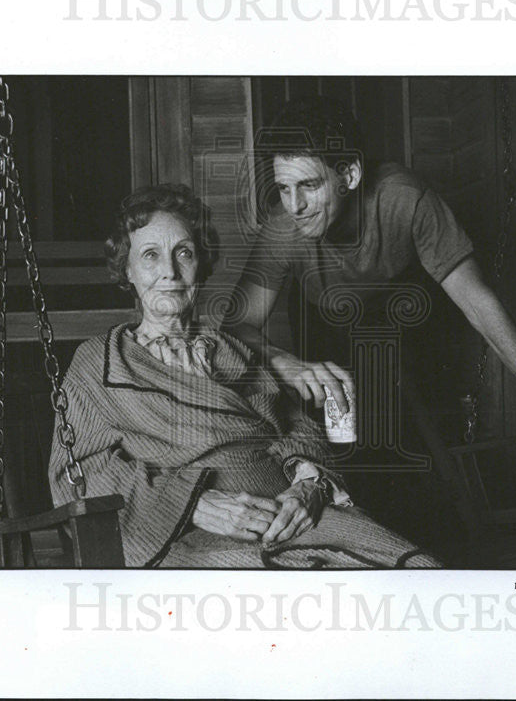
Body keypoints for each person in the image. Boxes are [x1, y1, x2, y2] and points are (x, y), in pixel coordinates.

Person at [224, 98, 516, 544]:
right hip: (327, 326)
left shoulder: (405, 199)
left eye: (309, 186)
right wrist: (286, 363)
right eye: (283, 188)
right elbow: (236, 326)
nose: (294, 205)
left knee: (424, 459)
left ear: (349, 175)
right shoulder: (284, 228)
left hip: (406, 321)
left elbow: (479, 305)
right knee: (338, 447)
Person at [48, 184, 440, 569]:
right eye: (150, 255)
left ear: (200, 262)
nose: (169, 271)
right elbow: (76, 472)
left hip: (294, 517)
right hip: (189, 533)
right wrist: (192, 506)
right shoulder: (100, 361)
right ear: (127, 269)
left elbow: (299, 431)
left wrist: (309, 488)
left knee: (418, 571)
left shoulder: (234, 350)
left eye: (183, 252)